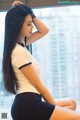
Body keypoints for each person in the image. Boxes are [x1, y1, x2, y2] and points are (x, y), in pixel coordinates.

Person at [2, 1, 80, 120]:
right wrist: (53, 106)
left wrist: (29, 13)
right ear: (17, 25)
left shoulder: (22, 45)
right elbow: (38, 85)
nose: (32, 27)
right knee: (76, 117)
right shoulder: (18, 52)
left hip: (31, 101)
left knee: (72, 103)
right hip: (27, 105)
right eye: (29, 24)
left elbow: (44, 30)